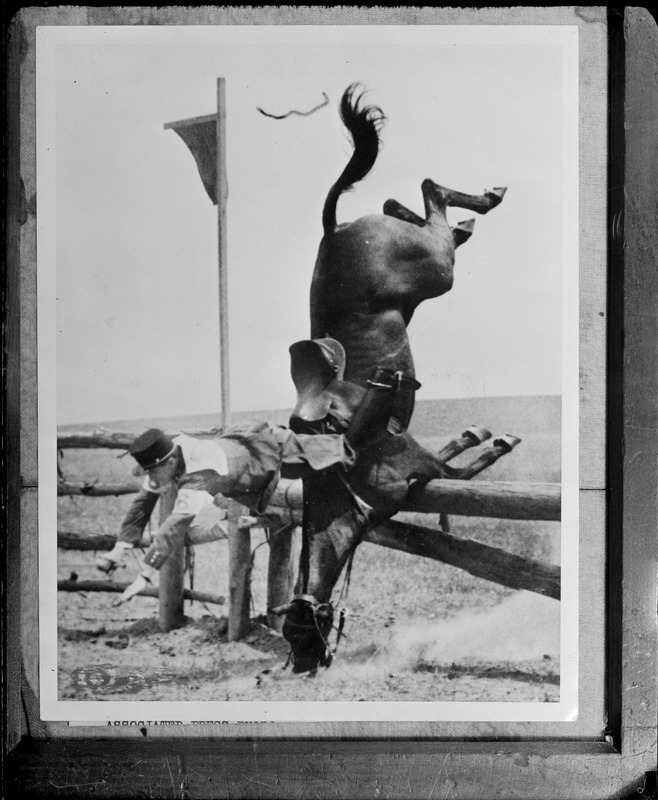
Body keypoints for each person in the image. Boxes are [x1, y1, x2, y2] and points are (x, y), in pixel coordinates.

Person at [102, 420, 362, 603]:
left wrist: (145, 575)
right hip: (244, 461)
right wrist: (121, 546)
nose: (151, 477)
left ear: (169, 462)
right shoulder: (169, 453)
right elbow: (144, 499)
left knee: (344, 453)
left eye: (153, 471)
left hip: (269, 453)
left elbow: (175, 525)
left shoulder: (200, 474)